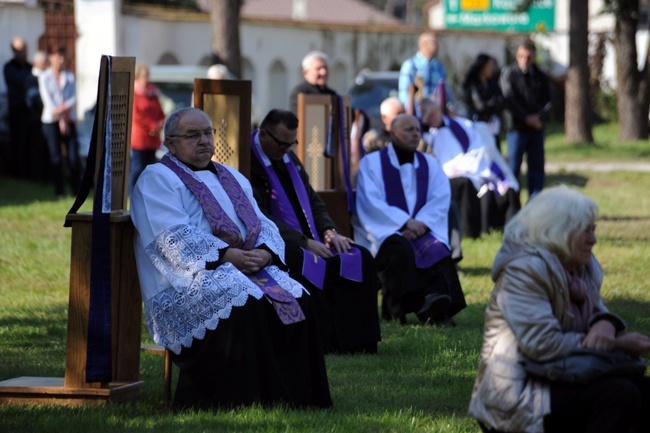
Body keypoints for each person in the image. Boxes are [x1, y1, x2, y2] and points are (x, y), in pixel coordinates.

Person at [130, 107, 332, 410]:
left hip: (245, 266)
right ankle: (243, 398)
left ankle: (296, 397)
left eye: (207, 133)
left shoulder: (232, 176)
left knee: (298, 297)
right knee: (246, 305)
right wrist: (226, 255)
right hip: (188, 278)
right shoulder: (157, 179)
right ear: (170, 143)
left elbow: (264, 223)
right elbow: (169, 237)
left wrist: (265, 252)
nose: (203, 141)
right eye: (192, 135)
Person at [468, 185, 650, 433]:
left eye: (593, 230)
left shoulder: (580, 268)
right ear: (559, 231)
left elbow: (597, 315)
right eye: (585, 231)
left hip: (559, 376)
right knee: (619, 395)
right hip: (519, 393)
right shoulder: (524, 271)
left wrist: (606, 324)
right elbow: (542, 343)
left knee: (642, 389)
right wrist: (616, 343)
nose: (593, 240)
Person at [250, 109, 381, 354]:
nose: (287, 149)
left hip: (312, 237)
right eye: (282, 143)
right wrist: (304, 242)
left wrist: (330, 231)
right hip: (277, 241)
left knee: (359, 256)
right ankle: (326, 342)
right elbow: (260, 216)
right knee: (302, 260)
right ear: (264, 135)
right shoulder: (248, 163)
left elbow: (313, 202)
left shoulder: (289, 157)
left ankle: (359, 342)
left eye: (292, 143)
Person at [353, 114, 466, 325]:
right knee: (400, 248)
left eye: (417, 129)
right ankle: (414, 307)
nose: (415, 134)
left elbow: (440, 197)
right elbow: (370, 200)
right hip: (384, 232)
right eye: (408, 130)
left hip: (421, 229)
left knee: (437, 248)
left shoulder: (430, 163)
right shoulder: (372, 163)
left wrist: (420, 224)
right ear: (393, 133)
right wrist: (404, 223)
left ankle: (439, 305)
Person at [420, 99, 520, 238]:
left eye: (434, 113)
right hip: (448, 174)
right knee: (465, 183)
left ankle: (507, 227)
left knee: (505, 186)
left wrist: (465, 165)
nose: (432, 117)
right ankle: (469, 232)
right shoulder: (426, 136)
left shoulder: (460, 125)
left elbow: (477, 147)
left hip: (473, 167)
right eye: (427, 115)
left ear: (439, 110)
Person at [499, 39, 552, 200]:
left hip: (536, 130)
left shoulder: (541, 76)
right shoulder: (509, 74)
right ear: (517, 56)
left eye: (528, 56)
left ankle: (535, 205)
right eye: (521, 56)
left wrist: (539, 118)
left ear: (534, 56)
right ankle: (512, 206)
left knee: (536, 169)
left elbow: (549, 101)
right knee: (513, 168)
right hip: (517, 128)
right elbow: (509, 99)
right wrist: (526, 118)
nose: (524, 60)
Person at [39, 46, 81, 198]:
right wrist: (59, 116)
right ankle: (59, 191)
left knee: (73, 156)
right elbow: (48, 100)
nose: (61, 60)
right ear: (51, 58)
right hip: (51, 121)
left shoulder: (69, 76)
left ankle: (77, 190)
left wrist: (63, 114)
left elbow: (73, 97)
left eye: (62, 57)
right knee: (56, 156)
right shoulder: (45, 77)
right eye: (58, 57)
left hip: (68, 118)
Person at [129, 64, 165, 195]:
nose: (146, 78)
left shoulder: (152, 93)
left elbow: (160, 111)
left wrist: (160, 124)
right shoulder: (134, 93)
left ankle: (147, 194)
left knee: (150, 169)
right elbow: (136, 115)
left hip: (152, 138)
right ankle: (133, 194)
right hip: (140, 138)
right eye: (144, 76)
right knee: (137, 168)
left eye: (147, 76)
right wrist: (152, 126)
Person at [398, 31, 454, 112]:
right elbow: (403, 95)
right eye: (434, 43)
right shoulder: (411, 66)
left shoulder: (439, 67)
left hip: (436, 115)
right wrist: (416, 107)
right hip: (418, 114)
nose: (438, 46)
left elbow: (446, 94)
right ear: (424, 45)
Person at [461, 53, 504, 153]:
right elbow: (480, 106)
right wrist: (494, 103)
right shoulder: (473, 84)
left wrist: (493, 104)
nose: (492, 68)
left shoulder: (492, 83)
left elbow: (502, 101)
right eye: (489, 66)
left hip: (492, 125)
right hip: (478, 125)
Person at [3, 36, 33, 178]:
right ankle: (18, 173)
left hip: (30, 112)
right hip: (17, 110)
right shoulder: (9, 67)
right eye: (20, 50)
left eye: (24, 50)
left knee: (30, 143)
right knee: (18, 143)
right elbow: (23, 81)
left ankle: (30, 172)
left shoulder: (29, 67)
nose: (23, 53)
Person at [24, 50, 49, 183]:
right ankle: (38, 177)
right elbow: (32, 100)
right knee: (37, 149)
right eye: (44, 62)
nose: (47, 64)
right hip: (36, 119)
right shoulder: (32, 79)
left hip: (46, 118)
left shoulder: (47, 76)